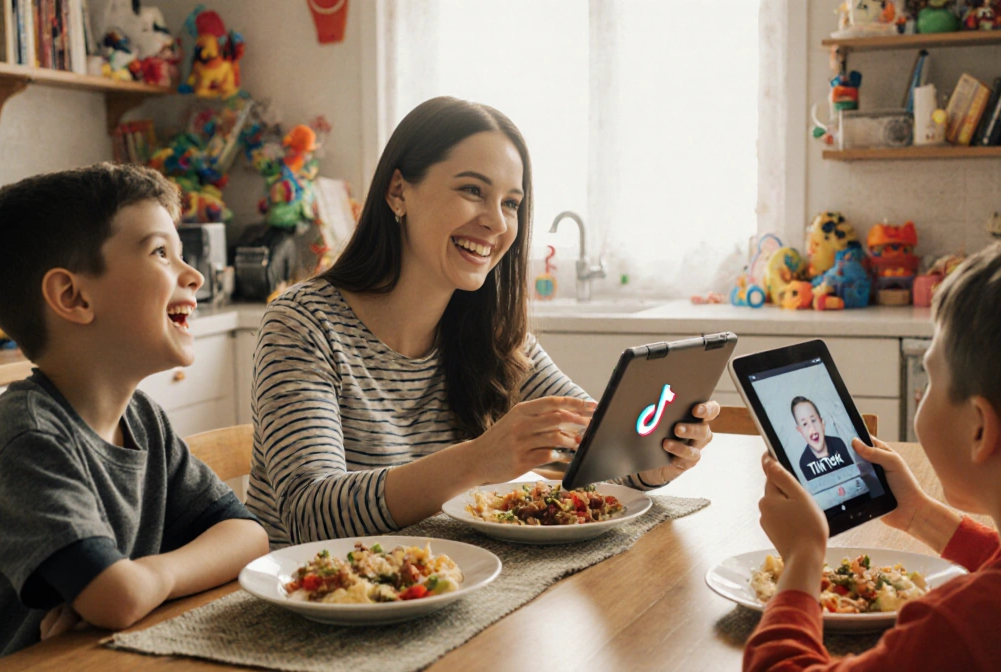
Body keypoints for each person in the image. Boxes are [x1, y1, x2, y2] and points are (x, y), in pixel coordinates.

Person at [248, 97, 720, 546]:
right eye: (473, 190)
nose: (497, 223)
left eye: (511, 203)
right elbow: (309, 513)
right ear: (398, 192)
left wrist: (650, 463)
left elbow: (593, 445)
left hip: (448, 591)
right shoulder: (302, 323)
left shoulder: (495, 335)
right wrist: (478, 460)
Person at [746, 233, 1001, 671]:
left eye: (930, 380)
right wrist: (918, 515)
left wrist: (802, 558)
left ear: (980, 429)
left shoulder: (967, 628)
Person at [0, 164, 270, 672]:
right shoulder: (26, 434)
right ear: (73, 297)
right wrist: (125, 589)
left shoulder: (143, 421)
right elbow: (115, 599)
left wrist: (147, 579)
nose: (194, 274)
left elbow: (248, 535)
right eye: (161, 252)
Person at [790, 396, 853, 481]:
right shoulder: (804, 462)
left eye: (813, 420)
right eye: (804, 424)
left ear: (822, 423)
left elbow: (854, 476)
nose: (812, 428)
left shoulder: (838, 443)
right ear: (800, 431)